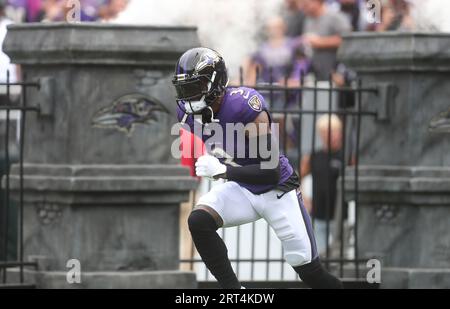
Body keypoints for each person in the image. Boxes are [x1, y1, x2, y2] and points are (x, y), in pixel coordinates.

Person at [172, 47, 343, 289]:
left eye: (194, 87)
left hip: (277, 191)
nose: (187, 96)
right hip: (242, 187)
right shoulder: (187, 114)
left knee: (309, 271)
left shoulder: (243, 106)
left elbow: (269, 171)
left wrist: (222, 170)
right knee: (199, 220)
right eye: (184, 88)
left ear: (215, 85)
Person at [300, 114, 343, 254]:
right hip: (318, 215)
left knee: (339, 254)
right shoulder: (313, 156)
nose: (329, 136)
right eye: (324, 132)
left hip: (341, 216)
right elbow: (295, 178)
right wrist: (304, 199)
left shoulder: (347, 156)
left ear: (339, 132)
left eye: (332, 131)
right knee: (320, 255)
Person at [302, 0, 351, 80]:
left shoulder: (335, 17)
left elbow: (348, 40)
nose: (303, 7)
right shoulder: (308, 19)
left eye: (306, 4)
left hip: (336, 72)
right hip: (316, 71)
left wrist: (320, 42)